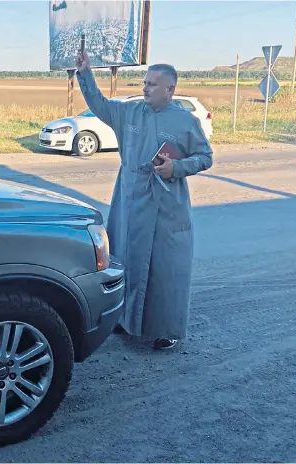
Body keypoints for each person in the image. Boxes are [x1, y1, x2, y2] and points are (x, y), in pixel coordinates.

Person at [75, 49, 213, 350]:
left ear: (170, 89)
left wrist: (176, 167)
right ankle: (125, 321)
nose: (145, 87)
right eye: (145, 82)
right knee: (125, 260)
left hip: (166, 203)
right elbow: (98, 104)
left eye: (152, 83)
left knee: (165, 269)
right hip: (130, 198)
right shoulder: (130, 112)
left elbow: (205, 157)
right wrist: (86, 74)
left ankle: (167, 329)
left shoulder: (186, 121)